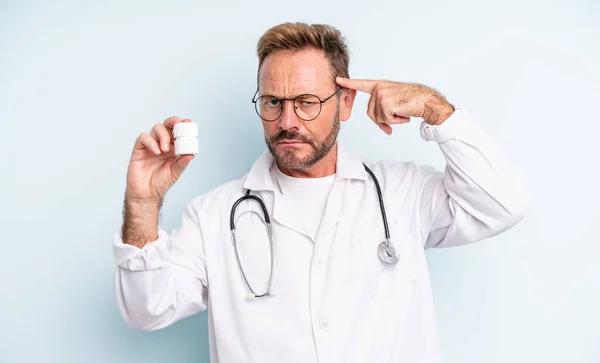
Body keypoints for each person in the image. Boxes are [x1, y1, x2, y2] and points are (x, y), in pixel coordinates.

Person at [113, 22, 528, 363]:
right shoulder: (214, 214)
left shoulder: (405, 193)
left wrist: (437, 111)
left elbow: (501, 205)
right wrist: (143, 204)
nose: (287, 120)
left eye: (307, 102)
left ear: (345, 103)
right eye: (273, 102)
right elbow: (146, 309)